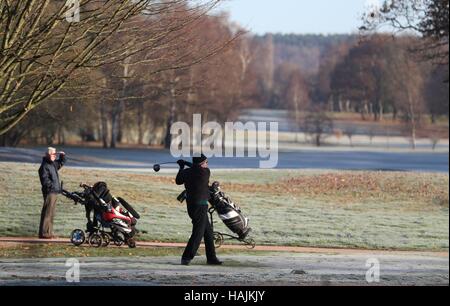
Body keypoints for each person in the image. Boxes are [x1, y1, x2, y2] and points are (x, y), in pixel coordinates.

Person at [176, 154, 222, 266]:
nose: (207, 164)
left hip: (192, 206)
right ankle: (186, 257)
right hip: (200, 206)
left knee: (208, 232)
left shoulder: (186, 172)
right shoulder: (205, 172)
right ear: (202, 164)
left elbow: (178, 180)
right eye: (206, 162)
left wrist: (182, 166)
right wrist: (186, 163)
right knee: (198, 233)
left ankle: (211, 258)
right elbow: (196, 168)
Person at [38, 147, 66, 239]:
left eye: (55, 154)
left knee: (51, 213)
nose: (55, 156)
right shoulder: (44, 166)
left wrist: (62, 156)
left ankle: (49, 232)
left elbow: (61, 163)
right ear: (48, 155)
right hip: (50, 192)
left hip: (54, 192)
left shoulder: (52, 164)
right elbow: (45, 181)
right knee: (47, 213)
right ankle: (44, 233)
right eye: (53, 154)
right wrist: (51, 187)